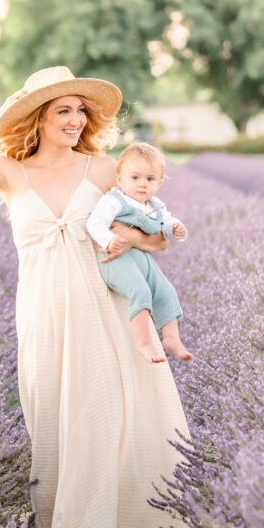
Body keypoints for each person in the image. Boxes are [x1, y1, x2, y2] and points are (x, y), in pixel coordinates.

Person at [0, 66, 189, 528]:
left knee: (103, 426)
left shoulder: (102, 168)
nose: (75, 120)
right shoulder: (11, 173)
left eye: (80, 110)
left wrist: (135, 241)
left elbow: (156, 234)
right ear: (39, 118)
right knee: (57, 432)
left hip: (104, 315)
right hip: (45, 318)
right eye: (61, 110)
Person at [86, 141, 194, 364]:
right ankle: (144, 343)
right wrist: (109, 240)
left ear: (159, 182)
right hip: (115, 260)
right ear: (120, 179)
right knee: (141, 291)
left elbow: (166, 224)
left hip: (140, 258)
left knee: (166, 291)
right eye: (135, 178)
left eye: (150, 179)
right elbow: (95, 223)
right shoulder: (114, 200)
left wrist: (176, 229)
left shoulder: (155, 205)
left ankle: (172, 338)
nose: (142, 184)